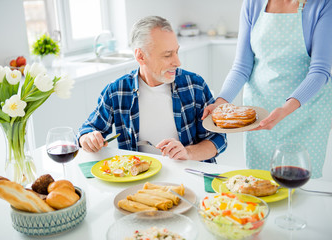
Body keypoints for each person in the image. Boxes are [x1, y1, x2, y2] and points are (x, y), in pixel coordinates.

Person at [202, 0, 332, 177]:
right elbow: (242, 66)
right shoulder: (253, 3)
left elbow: (320, 71)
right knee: (259, 181)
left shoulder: (323, 5)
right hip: (260, 115)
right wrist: (221, 101)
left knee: (300, 187)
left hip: (305, 113)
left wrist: (285, 109)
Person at [77, 16, 227, 162]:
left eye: (176, 51)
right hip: (141, 181)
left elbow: (218, 138)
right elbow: (87, 129)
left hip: (191, 174)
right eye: (168, 55)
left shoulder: (194, 85)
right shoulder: (117, 91)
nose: (178, 62)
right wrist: (88, 138)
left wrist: (187, 153)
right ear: (141, 56)